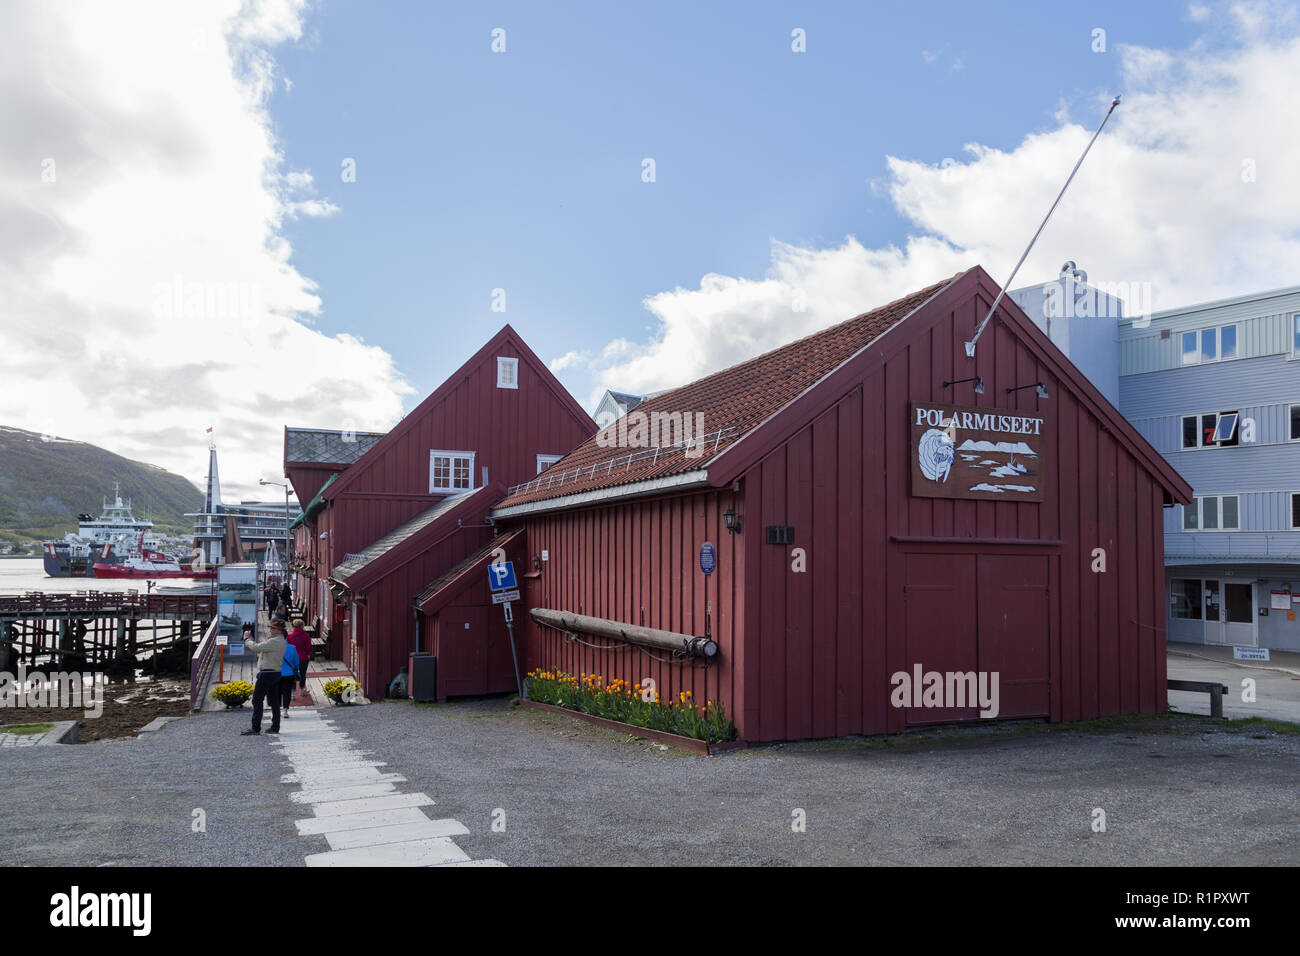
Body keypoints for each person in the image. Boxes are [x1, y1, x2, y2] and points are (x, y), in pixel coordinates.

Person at [242, 620, 287, 736]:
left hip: (267, 674)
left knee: (257, 700)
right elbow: (262, 648)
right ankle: (275, 727)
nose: (270, 630)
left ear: (279, 630)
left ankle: (256, 728)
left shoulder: (275, 641)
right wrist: (251, 639)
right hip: (275, 673)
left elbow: (257, 648)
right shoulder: (280, 641)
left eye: (272, 628)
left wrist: (246, 639)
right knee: (274, 702)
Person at [286, 618, 312, 693]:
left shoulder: (290, 636)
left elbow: (287, 647)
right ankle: (301, 690)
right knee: (303, 675)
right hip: (303, 658)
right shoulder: (306, 635)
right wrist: (307, 653)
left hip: (293, 659)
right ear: (301, 626)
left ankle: (292, 693)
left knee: (293, 675)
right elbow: (309, 648)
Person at [280, 639, 300, 717]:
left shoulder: (274, 647)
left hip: (277, 672)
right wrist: (296, 669)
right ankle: (285, 710)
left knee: (277, 691)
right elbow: (296, 662)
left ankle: (276, 709)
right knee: (287, 692)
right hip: (289, 673)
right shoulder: (292, 648)